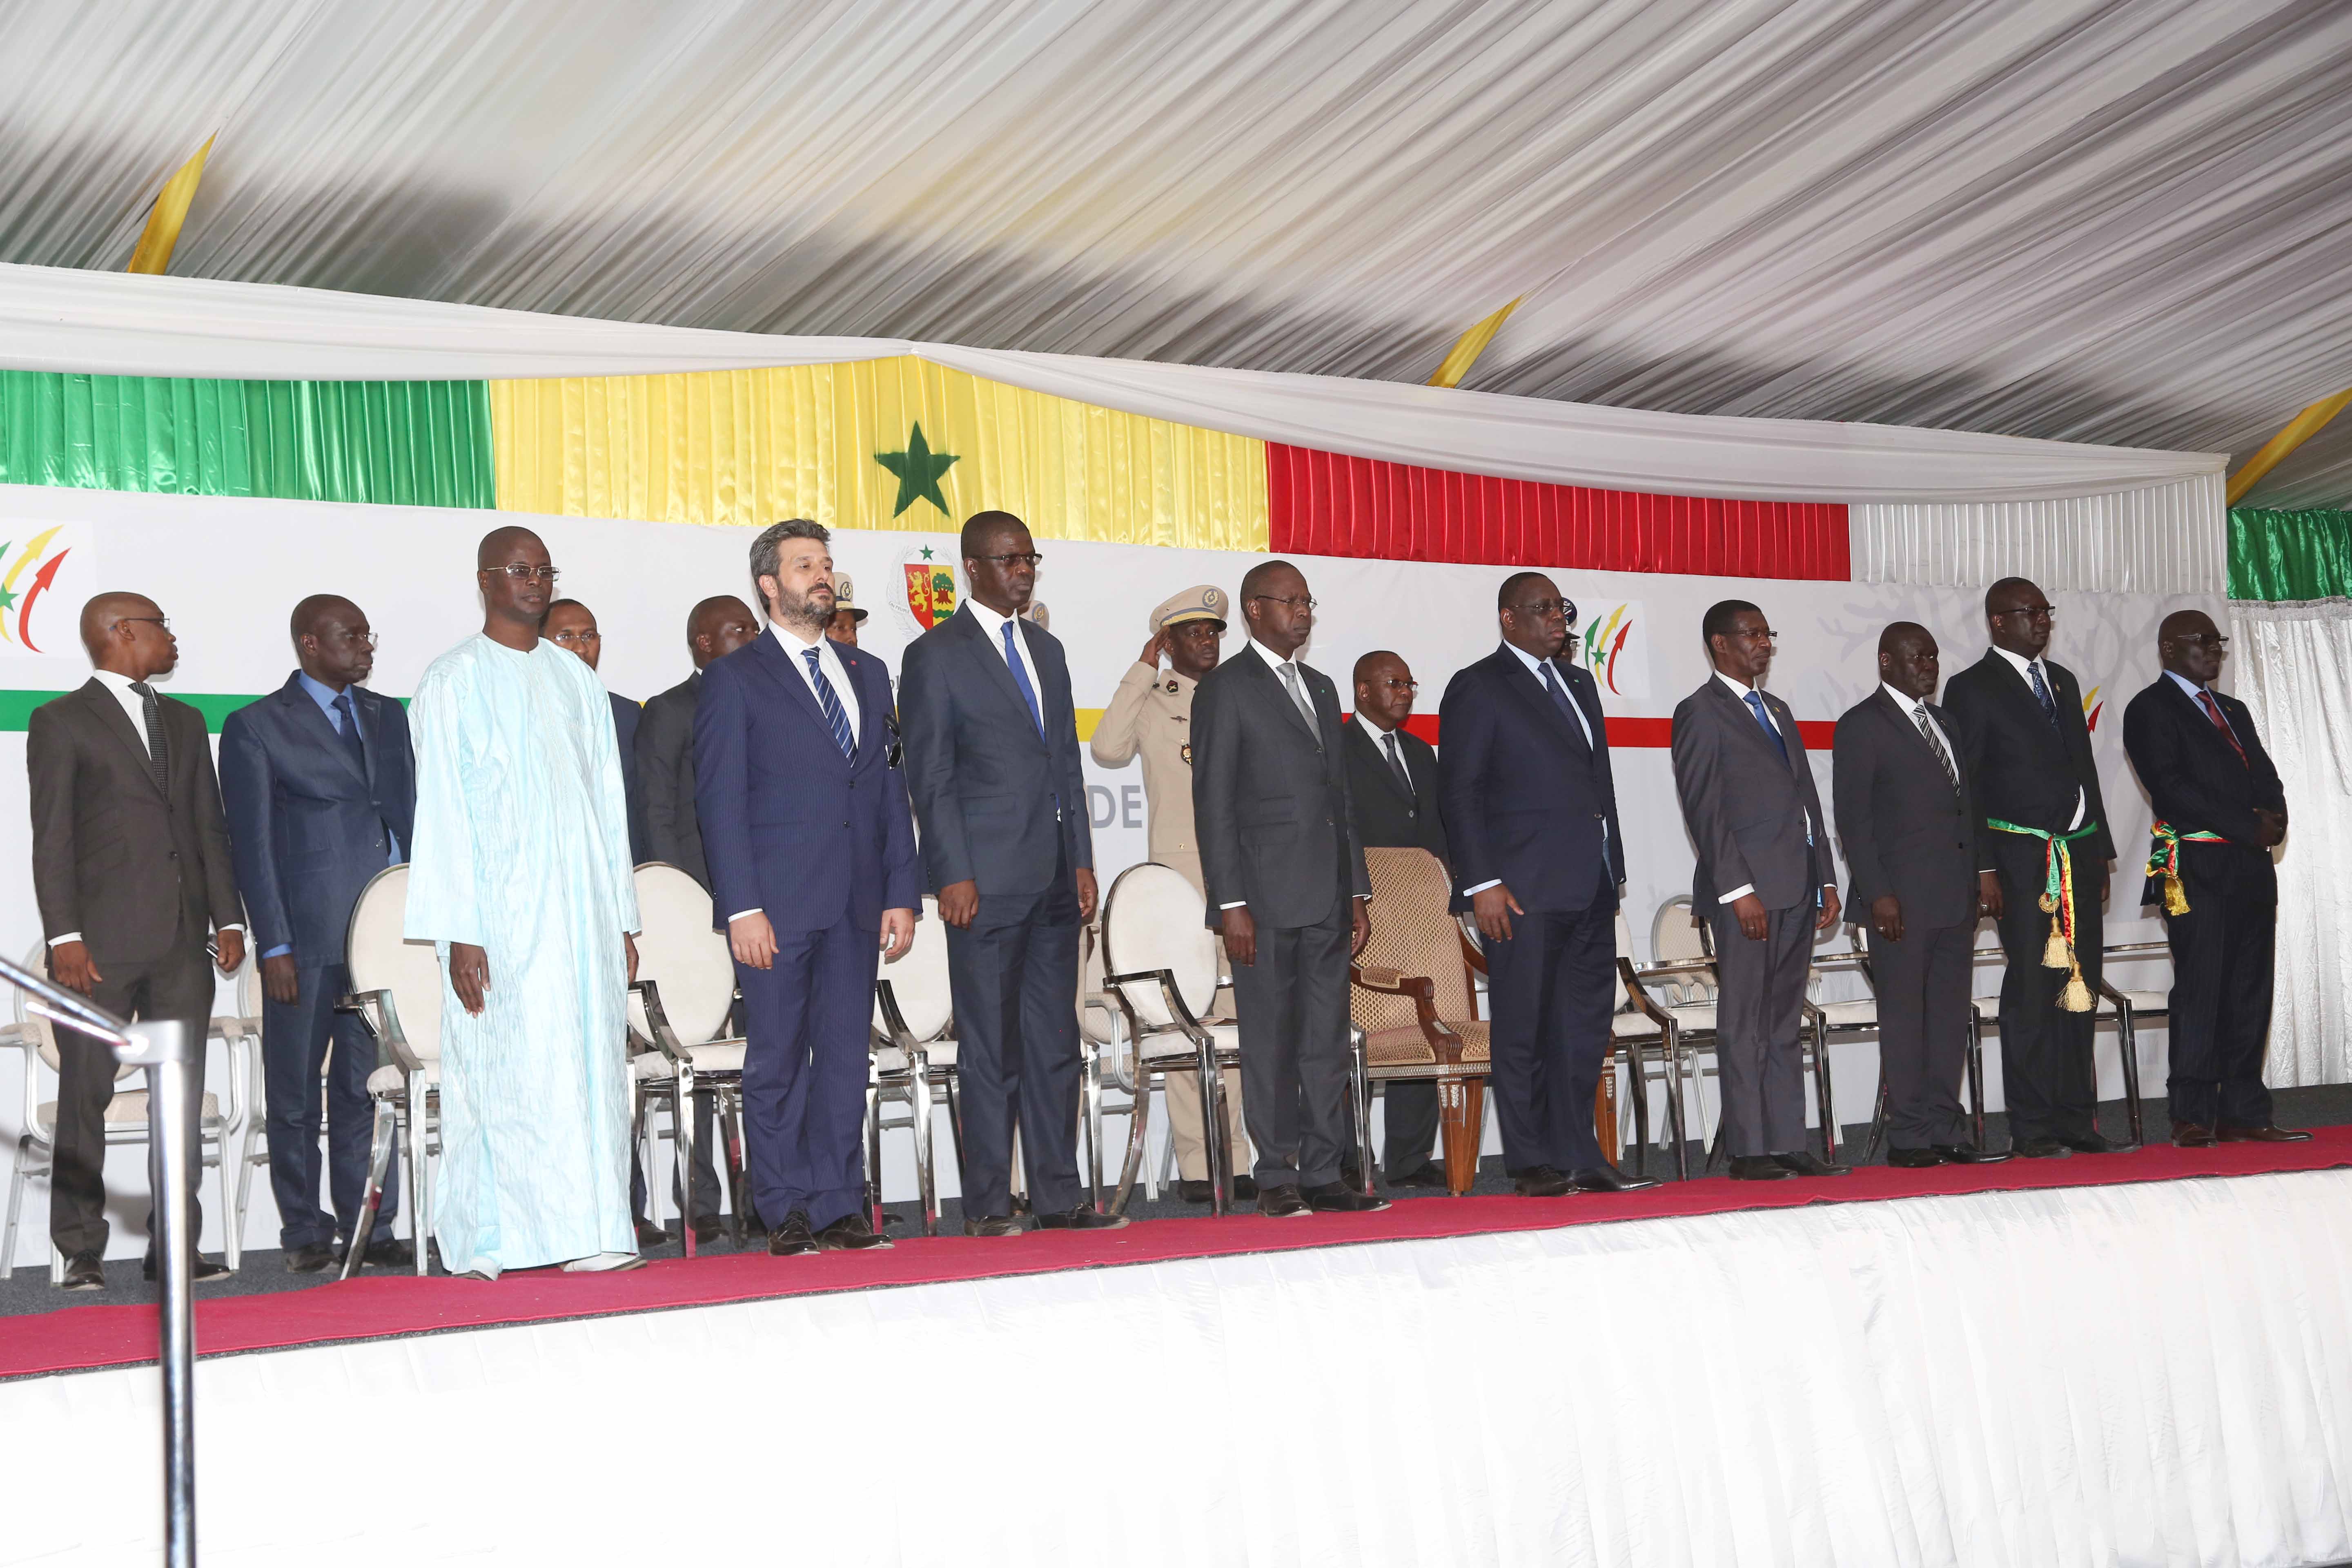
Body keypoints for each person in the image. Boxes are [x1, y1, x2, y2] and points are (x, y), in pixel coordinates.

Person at [404, 527, 643, 1278]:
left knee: (590, 1071)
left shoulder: (576, 680)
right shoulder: (453, 680)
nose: (534, 581)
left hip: (584, 918)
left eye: (544, 570)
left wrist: (623, 917)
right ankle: (500, 1239)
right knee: (512, 1073)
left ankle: (594, 1231)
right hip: (500, 919)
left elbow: (609, 806)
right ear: (485, 580)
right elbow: (440, 815)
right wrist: (461, 932)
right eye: (519, 569)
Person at [697, 520, 920, 1254]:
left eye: (825, 564)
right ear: (769, 585)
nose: (821, 576)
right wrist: (741, 907)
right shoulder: (736, 678)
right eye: (804, 566)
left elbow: (889, 788)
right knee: (779, 1060)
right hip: (776, 909)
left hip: (857, 905)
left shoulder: (867, 672)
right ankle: (784, 1205)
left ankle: (837, 1202)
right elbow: (720, 803)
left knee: (844, 1057)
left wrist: (900, 891)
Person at [900, 511, 1123, 1235]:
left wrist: (1083, 859)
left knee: (1054, 1044)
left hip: (1056, 879)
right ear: (972, 567)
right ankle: (991, 1204)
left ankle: (1059, 1198)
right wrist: (952, 871)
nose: (1021, 571)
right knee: (991, 1049)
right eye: (1006, 560)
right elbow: (930, 775)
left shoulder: (1048, 650)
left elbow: (1066, 761)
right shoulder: (936, 653)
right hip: (984, 883)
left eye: (1029, 558)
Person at [29, 592, 246, 1290]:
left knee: (178, 1099)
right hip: (99, 948)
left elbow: (208, 828)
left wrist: (230, 918)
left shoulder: (184, 720)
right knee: (85, 1095)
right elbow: (53, 837)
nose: (172, 638)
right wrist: (63, 934)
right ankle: (79, 1248)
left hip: (184, 944)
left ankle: (175, 1245)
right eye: (161, 626)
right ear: (123, 633)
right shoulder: (60, 721)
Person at [219, 594, 420, 1273]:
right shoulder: (255, 726)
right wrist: (272, 942)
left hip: (382, 939)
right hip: (302, 941)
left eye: (368, 634)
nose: (366, 646)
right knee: (298, 1092)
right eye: (351, 636)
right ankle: (304, 1229)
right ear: (310, 644)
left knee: (369, 1089)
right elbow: (252, 844)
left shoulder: (387, 715)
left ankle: (374, 1221)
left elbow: (405, 817)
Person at [1439, 579, 1655, 1195]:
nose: (1556, 619)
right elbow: (1460, 792)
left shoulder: (1581, 683)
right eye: (1541, 610)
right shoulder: (1479, 685)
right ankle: (1532, 1162)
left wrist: (1611, 870)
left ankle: (1580, 1154)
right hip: (1519, 890)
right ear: (1508, 619)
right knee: (1524, 1024)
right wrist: (1482, 883)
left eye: (1560, 609)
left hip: (1589, 883)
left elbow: (1598, 787)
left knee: (1582, 1027)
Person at [1192, 559, 1386, 1217]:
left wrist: (1356, 889)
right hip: (1263, 900)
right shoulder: (1226, 688)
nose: (1302, 613)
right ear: (1254, 609)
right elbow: (1213, 802)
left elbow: (1342, 801)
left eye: (1308, 602)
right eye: (1290, 602)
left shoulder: (1325, 687)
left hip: (1328, 897)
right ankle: (1275, 1174)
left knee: (1325, 1041)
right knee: (1271, 1040)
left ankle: (1326, 1171)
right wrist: (1230, 904)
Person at [1943, 577, 2126, 1159]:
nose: (2043, 620)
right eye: (2030, 612)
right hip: (2021, 859)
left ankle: (2077, 1118)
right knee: (2031, 989)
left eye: (2046, 611)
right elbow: (1964, 786)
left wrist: (2101, 850)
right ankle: (2033, 1126)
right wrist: (1983, 869)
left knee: (2080, 987)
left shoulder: (2064, 681)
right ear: (1998, 621)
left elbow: (2084, 770)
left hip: (2078, 851)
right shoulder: (1971, 687)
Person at [1669, 599, 1847, 1181]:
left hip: (1797, 884)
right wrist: (1737, 889)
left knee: (1782, 1019)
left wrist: (1825, 877)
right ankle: (1750, 1149)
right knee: (1744, 1020)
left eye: (1767, 633)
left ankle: (1788, 1140)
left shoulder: (1777, 708)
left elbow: (1806, 801)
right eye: (1751, 635)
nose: (1763, 644)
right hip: (1746, 892)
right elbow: (1706, 810)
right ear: (1720, 644)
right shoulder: (1700, 712)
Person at [1088, 584, 1252, 1204]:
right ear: (1168, 641)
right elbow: (1106, 749)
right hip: (1180, 883)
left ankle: (1236, 1158)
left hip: (1244, 878)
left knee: (1238, 1019)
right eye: (1193, 633)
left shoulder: (1242, 693)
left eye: (1214, 632)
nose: (1207, 642)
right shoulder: (1156, 700)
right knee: (1188, 1021)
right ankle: (1196, 1163)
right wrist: (1142, 668)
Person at [2120, 609, 2307, 1148]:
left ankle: (2245, 1109)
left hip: (2249, 872)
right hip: (2196, 871)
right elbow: (2172, 787)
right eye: (2203, 641)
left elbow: (2265, 774)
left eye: (2218, 642)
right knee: (2202, 990)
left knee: (2252, 991)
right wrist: (2249, 825)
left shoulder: (2233, 709)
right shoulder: (2149, 708)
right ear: (2170, 648)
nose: (2215, 650)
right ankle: (2193, 1113)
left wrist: (2275, 817)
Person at [1830, 624, 2007, 1169]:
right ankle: (1909, 1137)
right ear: (1886, 662)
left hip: (1954, 896)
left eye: (1931, 656)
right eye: (1914, 658)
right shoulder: (1862, 725)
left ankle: (1945, 1126)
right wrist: (1878, 894)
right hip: (1899, 904)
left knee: (1950, 1017)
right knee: (1907, 1018)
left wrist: (1983, 870)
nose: (1927, 666)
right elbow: (1853, 819)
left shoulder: (1945, 721)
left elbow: (1965, 808)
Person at [633, 594, 760, 1243]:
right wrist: (676, 910)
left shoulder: (774, 701)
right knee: (700, 1063)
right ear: (703, 644)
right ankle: (703, 1201)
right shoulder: (673, 710)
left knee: (768, 1056)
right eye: (739, 629)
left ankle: (768, 1193)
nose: (754, 635)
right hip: (698, 918)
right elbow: (656, 815)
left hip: (768, 913)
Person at [1342, 649, 1449, 1189]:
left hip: (1421, 909)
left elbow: (1434, 827)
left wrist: (1448, 892)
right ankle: (1345, 1158)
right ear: (1363, 691)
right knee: (1354, 1031)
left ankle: (1409, 1158)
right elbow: (1336, 826)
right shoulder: (1335, 746)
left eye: (1410, 682)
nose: (1405, 691)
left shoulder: (1420, 751)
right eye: (1393, 682)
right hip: (1361, 907)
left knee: (1420, 1015)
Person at [544, 598, 650, 864]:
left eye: (589, 636)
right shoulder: (523, 712)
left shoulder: (628, 714)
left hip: (621, 867)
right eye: (565, 636)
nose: (580, 647)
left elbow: (641, 805)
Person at [826, 573, 866, 648]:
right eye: (840, 628)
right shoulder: (802, 659)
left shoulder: (866, 659)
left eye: (854, 629)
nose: (853, 639)